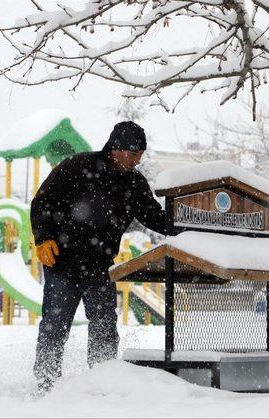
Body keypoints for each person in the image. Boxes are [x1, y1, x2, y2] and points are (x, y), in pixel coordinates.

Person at [30, 121, 166, 393]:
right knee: (55, 325)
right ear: (117, 148)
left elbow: (154, 216)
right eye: (134, 152)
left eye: (141, 153)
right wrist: (43, 237)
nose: (138, 159)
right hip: (62, 264)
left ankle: (103, 384)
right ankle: (46, 383)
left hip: (99, 268)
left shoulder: (135, 183)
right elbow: (43, 201)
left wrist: (187, 226)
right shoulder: (77, 167)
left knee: (104, 326)